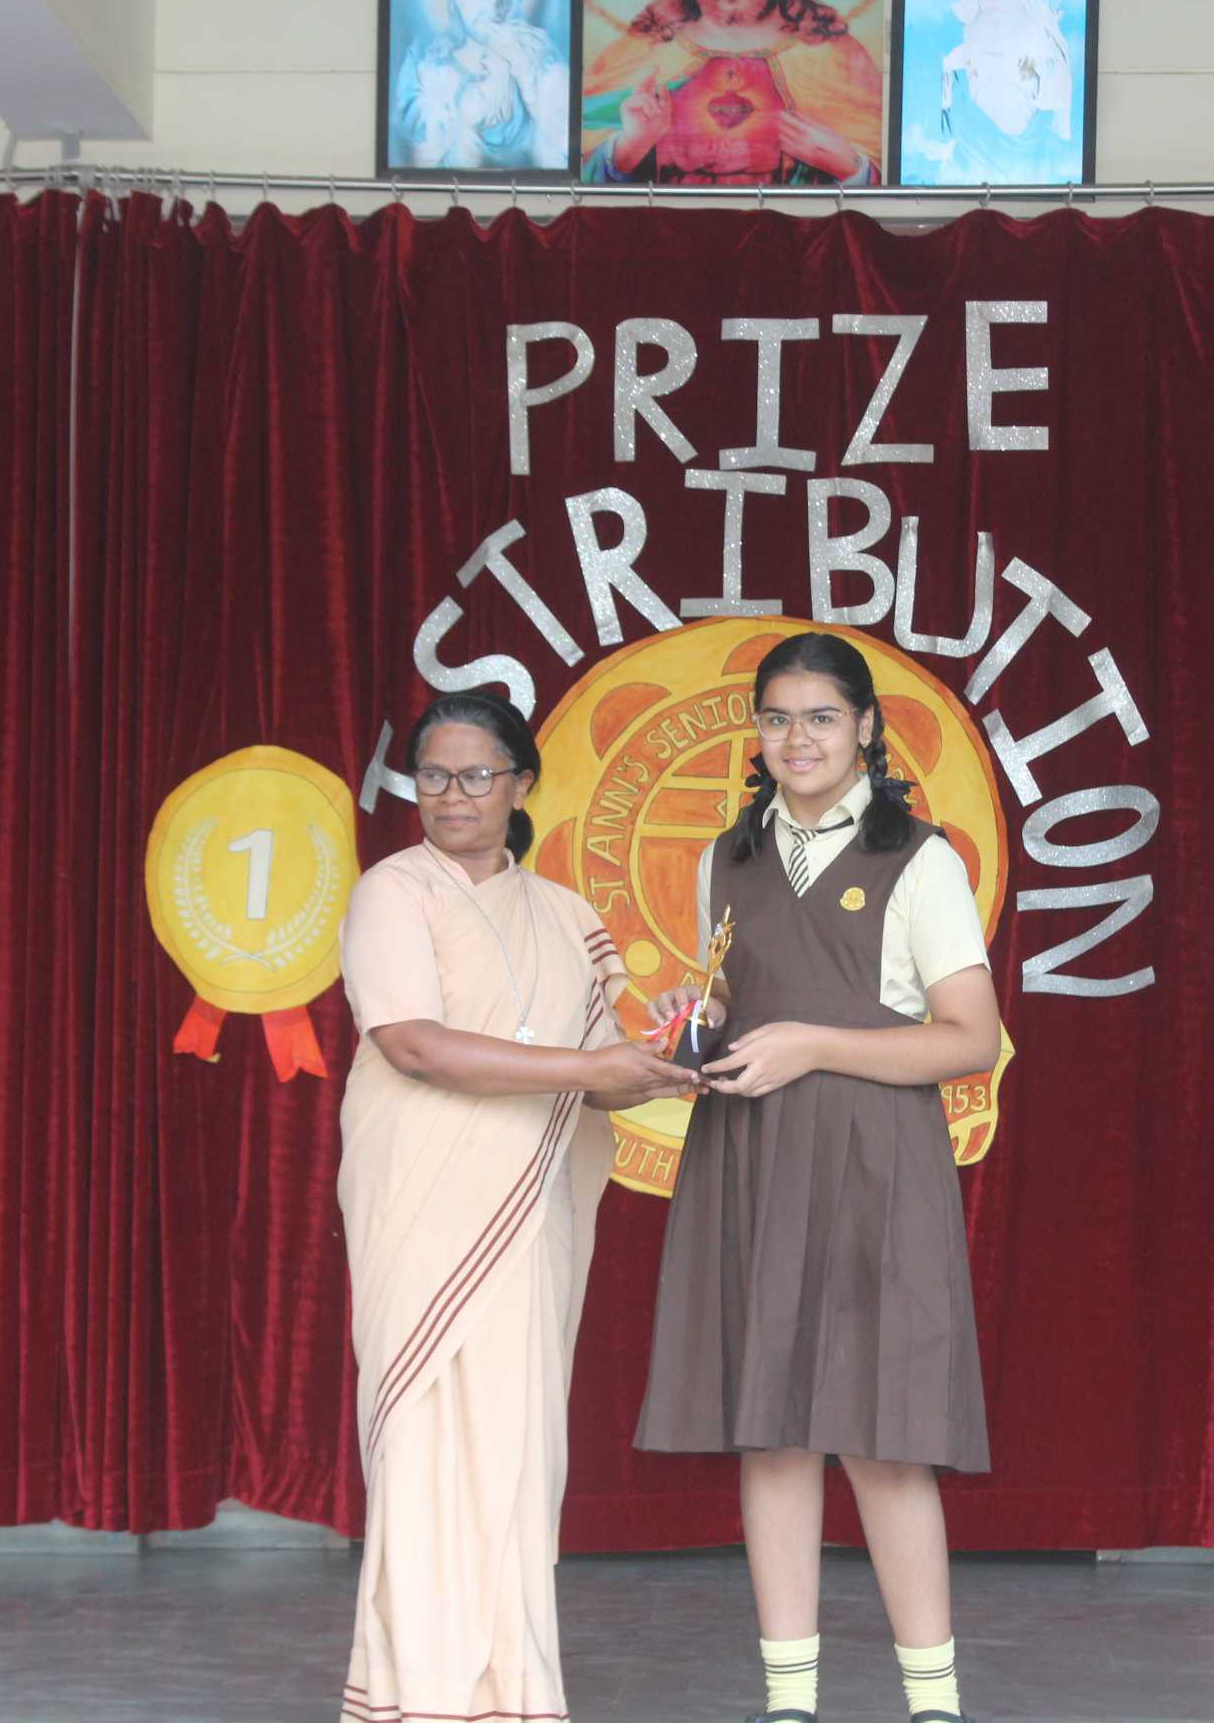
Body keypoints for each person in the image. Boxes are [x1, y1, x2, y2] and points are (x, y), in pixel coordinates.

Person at [636, 633, 998, 1723]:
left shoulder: (920, 860)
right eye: (778, 718)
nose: (798, 739)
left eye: (822, 717)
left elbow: (969, 1039)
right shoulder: (727, 857)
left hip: (876, 1161)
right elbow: (733, 995)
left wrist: (812, 1046)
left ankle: (933, 1703)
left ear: (867, 729)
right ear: (758, 732)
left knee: (885, 1440)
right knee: (775, 1432)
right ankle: (788, 1700)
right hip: (753, 1156)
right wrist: (699, 1019)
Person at [335, 691, 698, 1723]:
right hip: (419, 1191)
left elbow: (608, 1074)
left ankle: (511, 1693)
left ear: (521, 785)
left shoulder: (567, 915)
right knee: (422, 1440)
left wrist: (672, 1042)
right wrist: (591, 1066)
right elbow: (412, 1043)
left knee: (515, 1444)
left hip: (528, 1208)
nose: (452, 796)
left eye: (476, 775)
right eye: (433, 776)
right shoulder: (392, 892)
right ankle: (412, 1694)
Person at [581, 0, 884, 187]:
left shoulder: (835, 56)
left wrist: (850, 166)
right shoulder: (641, 51)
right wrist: (629, 147)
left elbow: (883, 181)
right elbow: (579, 178)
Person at [388, 0, 570, 171]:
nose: (494, 1)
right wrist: (465, 123)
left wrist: (525, 75)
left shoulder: (535, 52)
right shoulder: (426, 68)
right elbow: (420, 170)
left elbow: (563, 152)